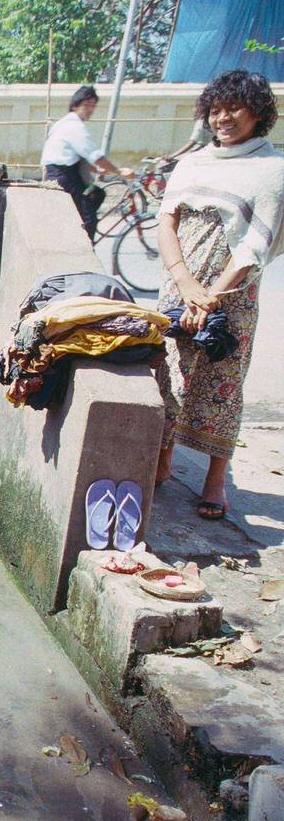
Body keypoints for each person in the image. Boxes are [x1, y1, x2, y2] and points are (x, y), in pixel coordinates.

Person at [154, 70, 283, 521]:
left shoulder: (271, 170)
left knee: (222, 380)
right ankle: (163, 460)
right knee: (169, 373)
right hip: (179, 283)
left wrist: (210, 296)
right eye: (215, 110)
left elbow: (253, 247)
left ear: (258, 114)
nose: (223, 118)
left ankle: (214, 481)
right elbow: (167, 221)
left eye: (234, 109)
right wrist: (186, 285)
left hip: (232, 293)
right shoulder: (192, 163)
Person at [40, 86, 136, 239]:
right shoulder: (74, 126)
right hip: (65, 178)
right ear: (75, 105)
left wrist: (98, 170)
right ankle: (83, 252)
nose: (90, 109)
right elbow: (94, 155)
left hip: (62, 175)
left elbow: (79, 156)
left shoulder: (62, 124)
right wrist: (120, 172)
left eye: (93, 105)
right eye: (86, 105)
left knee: (98, 194)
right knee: (88, 220)